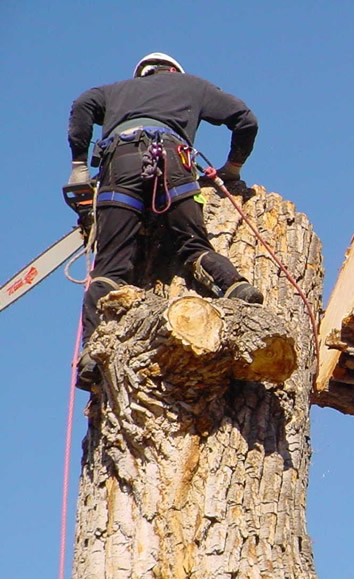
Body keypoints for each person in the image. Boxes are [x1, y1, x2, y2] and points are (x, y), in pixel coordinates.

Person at [66, 52, 263, 391]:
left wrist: (80, 166)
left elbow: (82, 105)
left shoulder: (113, 91)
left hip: (120, 165)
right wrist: (232, 169)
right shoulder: (193, 86)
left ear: (141, 74)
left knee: (109, 270)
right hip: (174, 162)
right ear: (174, 71)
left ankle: (93, 353)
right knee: (194, 246)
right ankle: (235, 286)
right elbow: (246, 120)